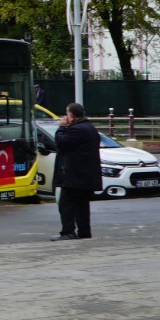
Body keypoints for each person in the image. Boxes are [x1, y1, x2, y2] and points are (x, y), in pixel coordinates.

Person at [52, 101, 100, 240]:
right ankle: (84, 232)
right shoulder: (90, 128)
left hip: (74, 175)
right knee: (82, 205)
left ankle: (68, 232)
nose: (65, 117)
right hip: (85, 175)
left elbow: (61, 143)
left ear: (72, 116)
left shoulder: (76, 130)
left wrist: (61, 128)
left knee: (66, 204)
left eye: (67, 114)